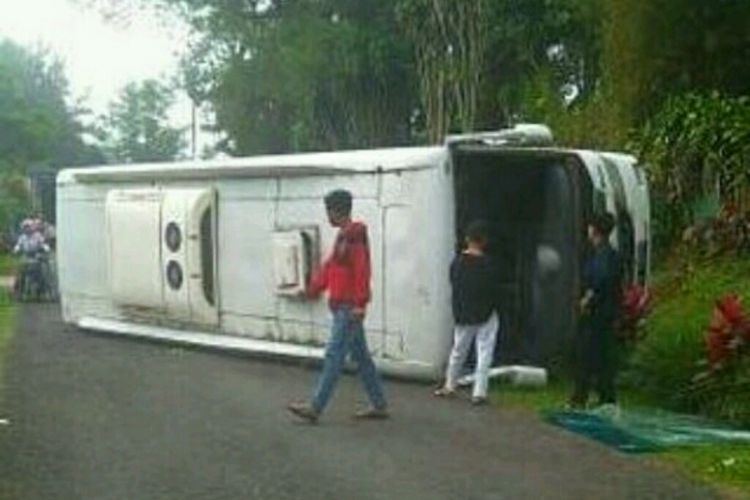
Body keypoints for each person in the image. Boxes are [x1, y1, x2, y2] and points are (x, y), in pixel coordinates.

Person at [287, 189, 388, 423]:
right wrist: (312, 290)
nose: (327, 216)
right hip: (346, 306)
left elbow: (361, 270)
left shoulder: (353, 237)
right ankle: (379, 404)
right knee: (361, 357)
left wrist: (360, 303)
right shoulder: (344, 236)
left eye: (328, 211)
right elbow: (331, 267)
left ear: (335, 210)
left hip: (348, 307)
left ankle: (316, 406)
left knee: (334, 355)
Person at [434, 220, 500, 405]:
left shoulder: (457, 263)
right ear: (484, 241)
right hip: (486, 314)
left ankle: (450, 384)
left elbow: (454, 285)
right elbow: (494, 290)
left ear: (467, 239)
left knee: (458, 350)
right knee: (484, 352)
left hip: (463, 313)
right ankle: (479, 392)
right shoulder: (489, 265)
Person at [569, 212, 622, 409]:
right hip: (606, 313)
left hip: (597, 313)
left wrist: (586, 299)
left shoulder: (602, 255)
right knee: (602, 356)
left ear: (595, 230)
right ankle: (605, 397)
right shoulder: (608, 254)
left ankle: (581, 397)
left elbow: (600, 279)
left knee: (586, 354)